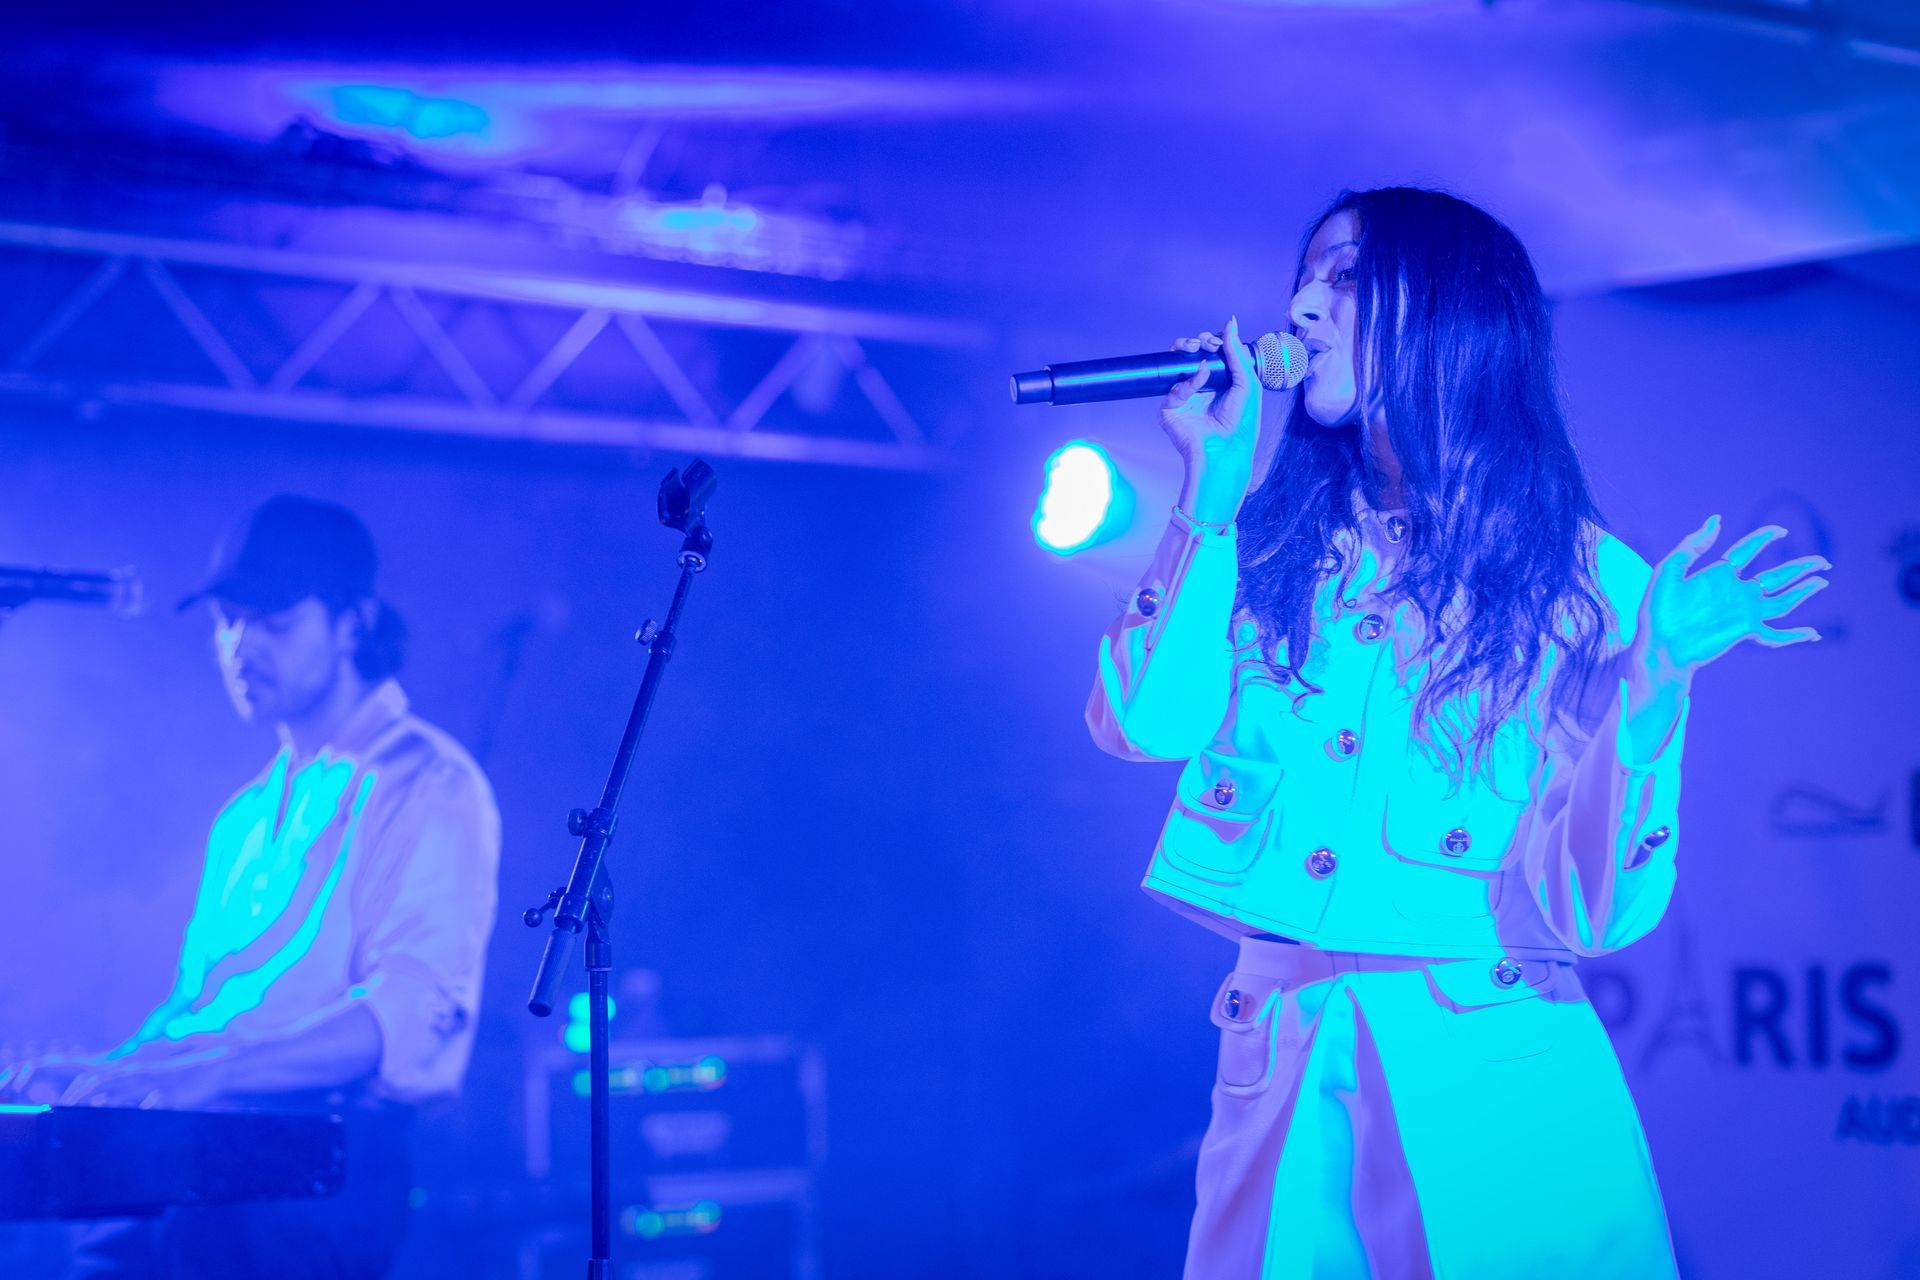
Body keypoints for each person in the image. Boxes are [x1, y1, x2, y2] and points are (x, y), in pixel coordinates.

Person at [1086, 187, 1828, 1278]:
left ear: (1449, 310)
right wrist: (1208, 492)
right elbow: (1142, 724)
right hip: (1278, 1052)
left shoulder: (1584, 585)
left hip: (1493, 1076)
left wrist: (1656, 680)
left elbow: (1597, 910)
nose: (1302, 305)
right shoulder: (1263, 545)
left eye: (1345, 276)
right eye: (1306, 277)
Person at [1, 494, 501, 1279]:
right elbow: (202, 1011)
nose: (240, 645)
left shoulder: (428, 781)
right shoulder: (244, 816)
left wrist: (200, 1078)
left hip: (313, 1177)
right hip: (193, 1158)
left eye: (273, 622)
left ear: (353, 624)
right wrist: (108, 1072)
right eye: (227, 620)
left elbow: (409, 1014)